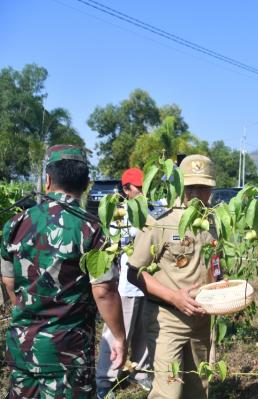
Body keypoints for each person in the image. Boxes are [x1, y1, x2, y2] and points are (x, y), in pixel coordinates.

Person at [0, 144, 127, 398]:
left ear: (47, 180)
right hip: (68, 355)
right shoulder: (91, 230)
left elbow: (9, 283)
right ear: (86, 184)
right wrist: (119, 337)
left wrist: (33, 316)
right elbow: (103, 291)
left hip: (23, 350)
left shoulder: (15, 224)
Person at [127, 154, 216, 399]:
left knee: (198, 388)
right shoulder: (161, 223)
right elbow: (134, 273)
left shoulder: (212, 221)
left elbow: (214, 263)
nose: (198, 193)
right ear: (179, 187)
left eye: (204, 187)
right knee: (169, 390)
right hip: (168, 319)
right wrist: (174, 297)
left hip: (202, 319)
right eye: (191, 187)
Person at [96, 167, 152, 398]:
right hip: (127, 285)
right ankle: (105, 378)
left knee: (144, 331)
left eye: (144, 186)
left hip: (148, 283)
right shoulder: (120, 214)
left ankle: (139, 372)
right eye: (138, 187)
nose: (142, 191)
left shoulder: (152, 211)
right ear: (126, 188)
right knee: (118, 330)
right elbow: (112, 246)